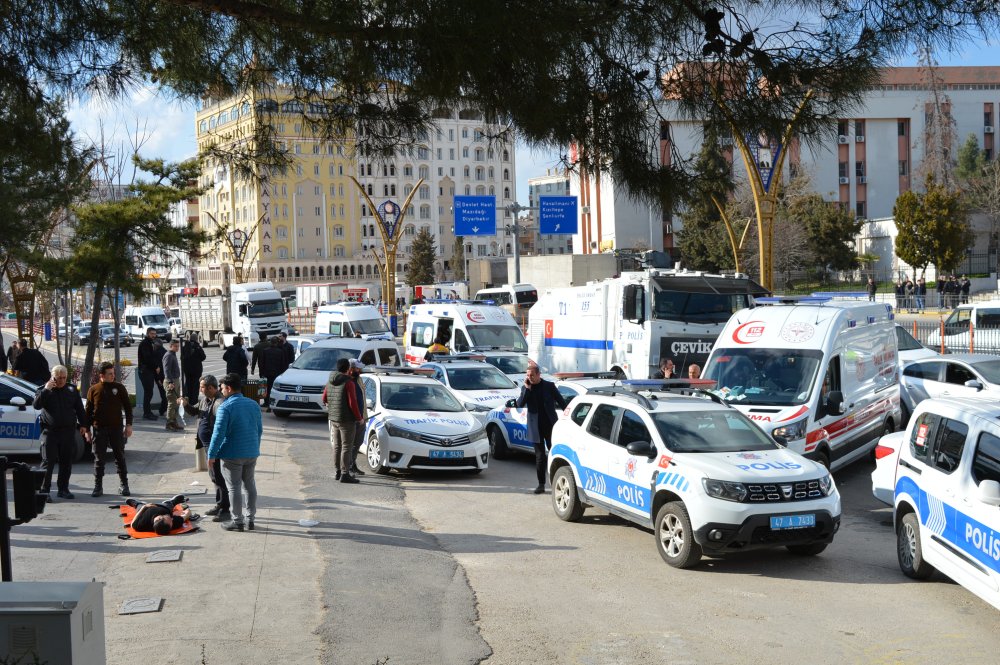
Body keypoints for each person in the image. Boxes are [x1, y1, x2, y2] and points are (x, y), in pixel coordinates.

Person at [207, 373, 263, 532]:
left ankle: (237, 521)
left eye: (222, 388)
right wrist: (255, 447)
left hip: (232, 454)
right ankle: (250, 519)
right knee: (249, 485)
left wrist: (211, 455)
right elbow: (259, 430)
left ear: (229, 388)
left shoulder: (225, 407)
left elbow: (218, 434)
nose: (221, 391)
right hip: (251, 452)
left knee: (234, 487)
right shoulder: (253, 404)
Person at [33, 365, 90, 501]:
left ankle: (63, 489)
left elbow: (79, 409)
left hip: (68, 432)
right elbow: (36, 405)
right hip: (50, 433)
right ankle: (44, 491)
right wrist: (47, 389)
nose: (62, 380)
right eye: (59, 378)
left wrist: (84, 425)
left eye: (64, 378)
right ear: (53, 377)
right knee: (48, 462)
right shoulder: (43, 390)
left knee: (66, 462)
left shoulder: (71, 389)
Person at [181, 375, 229, 522]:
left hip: (215, 446)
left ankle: (225, 508)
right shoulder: (204, 400)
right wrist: (185, 404)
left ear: (211, 388)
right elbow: (195, 412)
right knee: (213, 476)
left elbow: (222, 427)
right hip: (207, 444)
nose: (200, 389)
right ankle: (219, 504)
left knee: (218, 476)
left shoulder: (220, 403)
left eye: (202, 387)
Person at [516, 364, 569, 494]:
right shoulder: (526, 388)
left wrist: (569, 417)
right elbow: (520, 404)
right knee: (540, 456)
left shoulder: (549, 386)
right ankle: (541, 484)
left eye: (532, 375)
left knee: (555, 453)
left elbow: (562, 403)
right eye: (527, 375)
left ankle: (559, 480)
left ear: (539, 374)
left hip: (550, 425)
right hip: (535, 427)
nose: (529, 378)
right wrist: (527, 389)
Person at [85, 361, 133, 497]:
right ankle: (98, 486)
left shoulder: (119, 388)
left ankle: (124, 484)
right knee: (99, 459)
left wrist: (128, 425)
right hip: (99, 429)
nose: (113, 376)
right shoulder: (93, 390)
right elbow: (88, 412)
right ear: (102, 375)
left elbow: (128, 408)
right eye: (110, 374)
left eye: (113, 373)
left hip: (116, 428)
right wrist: (87, 431)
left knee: (120, 456)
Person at [322, 357, 362, 483]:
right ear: (348, 369)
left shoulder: (330, 380)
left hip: (334, 418)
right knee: (347, 447)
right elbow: (352, 403)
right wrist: (359, 418)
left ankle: (337, 471)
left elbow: (324, 398)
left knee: (337, 446)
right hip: (346, 420)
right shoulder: (348, 382)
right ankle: (345, 473)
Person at [126, 495, 193, 535]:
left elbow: (132, 525)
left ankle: (136, 503)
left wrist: (144, 507)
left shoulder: (141, 524)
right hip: (164, 507)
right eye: (171, 519)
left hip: (146, 509)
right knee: (168, 506)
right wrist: (187, 510)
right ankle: (171, 502)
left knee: (139, 507)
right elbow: (186, 515)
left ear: (159, 518)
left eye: (170, 519)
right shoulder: (172, 524)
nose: (172, 518)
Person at [137, 328, 166, 420]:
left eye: (155, 334)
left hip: (148, 370)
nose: (154, 335)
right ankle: (147, 413)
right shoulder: (145, 344)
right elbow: (147, 358)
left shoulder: (150, 343)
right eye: (152, 334)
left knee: (149, 392)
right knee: (148, 392)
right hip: (145, 371)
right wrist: (156, 367)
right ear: (148, 334)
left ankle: (148, 412)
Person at [348, 358, 367, 477]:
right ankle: (347, 467)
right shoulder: (346, 381)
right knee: (349, 444)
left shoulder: (359, 379)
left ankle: (353, 464)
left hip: (362, 417)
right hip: (351, 419)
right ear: (351, 369)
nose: (360, 370)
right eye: (357, 368)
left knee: (358, 443)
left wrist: (363, 416)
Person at [260, 336, 290, 411]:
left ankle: (267, 403)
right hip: (277, 373)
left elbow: (261, 363)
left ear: (271, 342)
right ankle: (273, 404)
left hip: (267, 373)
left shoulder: (265, 351)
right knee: (275, 389)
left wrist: (262, 373)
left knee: (267, 388)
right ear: (276, 343)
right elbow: (283, 364)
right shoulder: (280, 351)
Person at [162, 339, 183, 431]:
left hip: (175, 380)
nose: (177, 348)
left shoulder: (173, 354)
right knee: (171, 403)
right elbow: (166, 370)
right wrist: (170, 382)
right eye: (175, 346)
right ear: (170, 346)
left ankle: (174, 422)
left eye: (178, 346)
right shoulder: (168, 355)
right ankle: (169, 423)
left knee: (176, 403)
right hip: (171, 381)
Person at [180, 333, 206, 405]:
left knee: (188, 383)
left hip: (187, 369)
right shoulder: (197, 347)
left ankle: (187, 399)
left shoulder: (185, 346)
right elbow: (203, 357)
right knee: (195, 384)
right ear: (196, 338)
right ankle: (194, 400)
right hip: (196, 369)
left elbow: (181, 357)